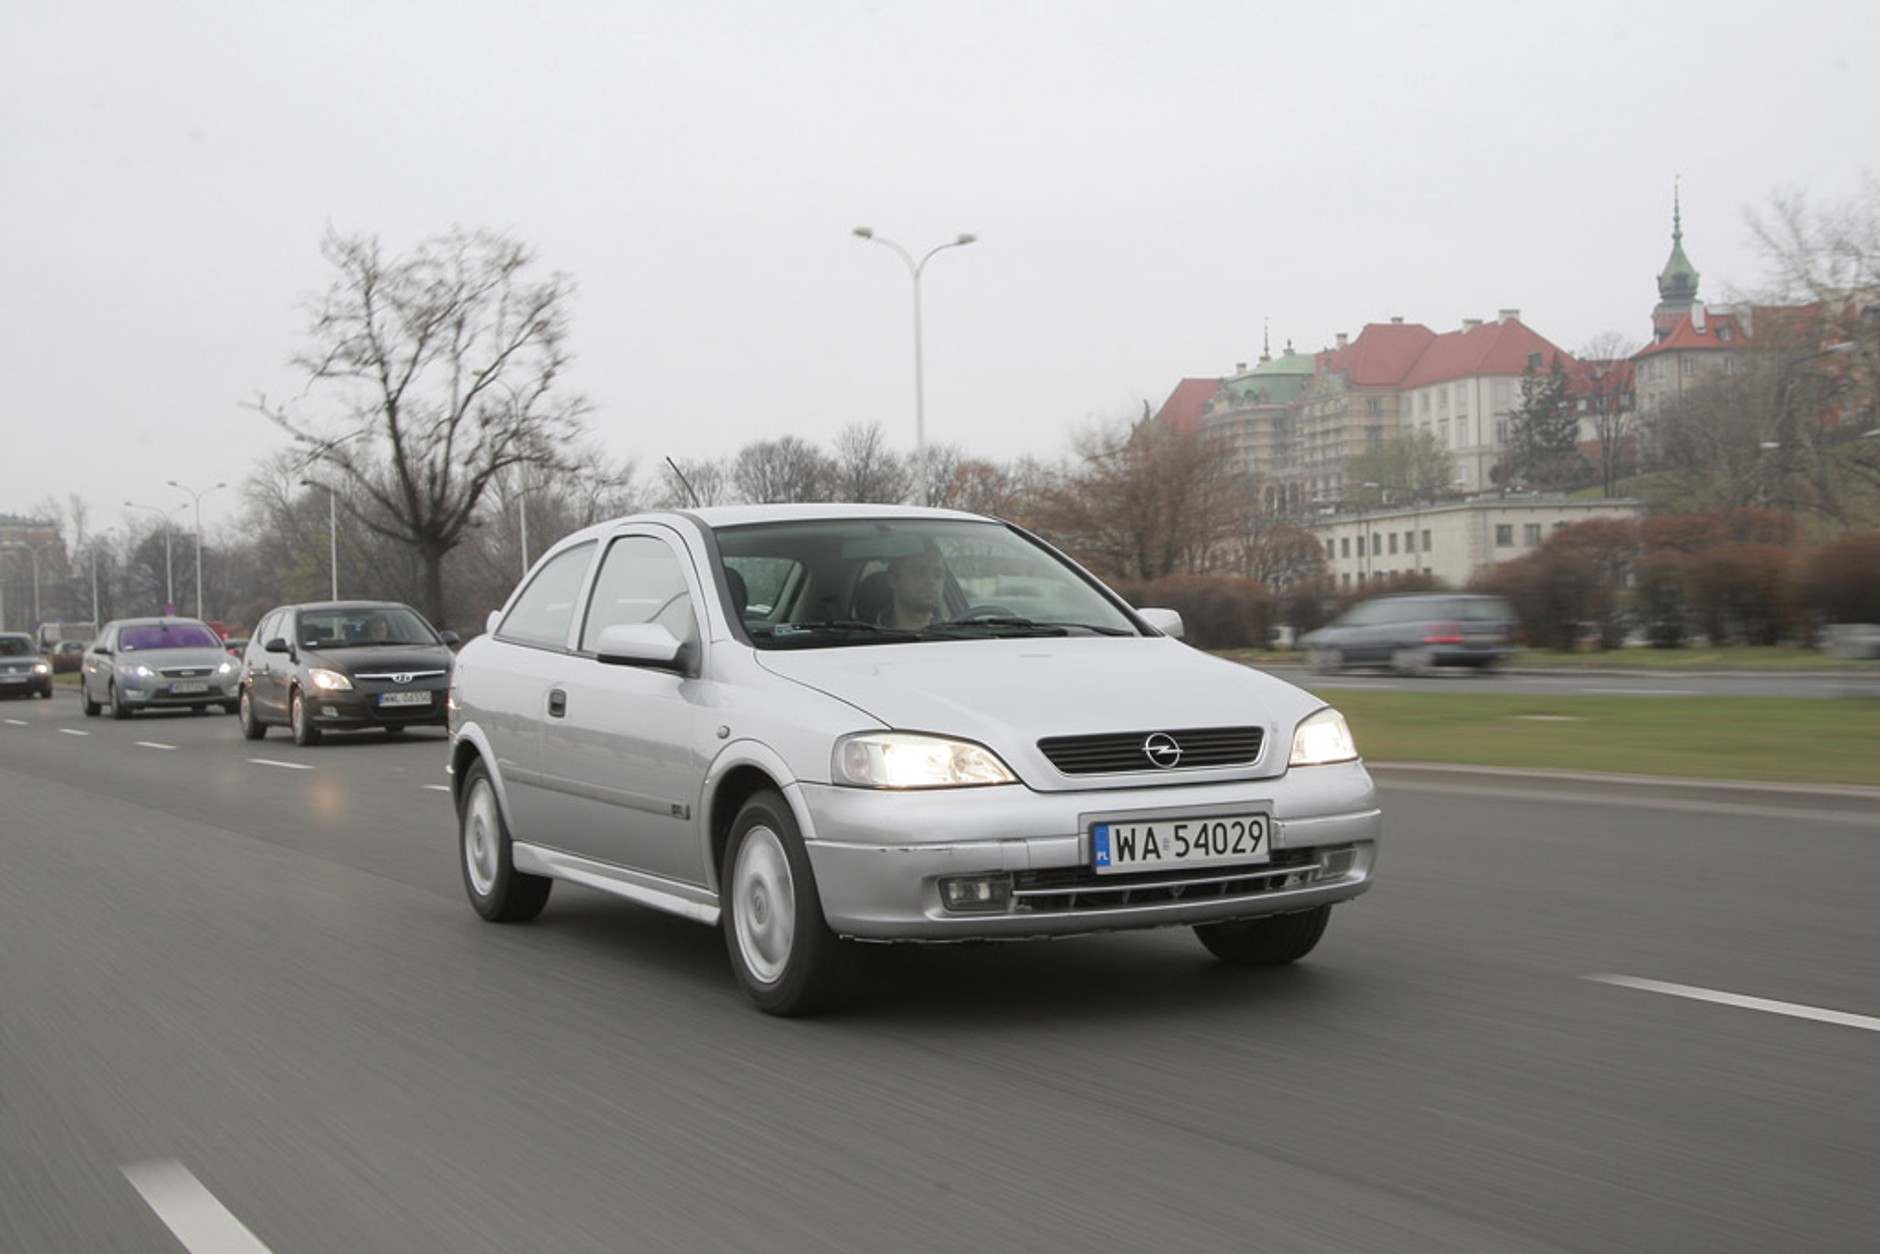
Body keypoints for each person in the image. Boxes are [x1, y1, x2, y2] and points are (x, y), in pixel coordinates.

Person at [881, 539, 946, 628]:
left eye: (937, 575)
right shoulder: (866, 637)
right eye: (918, 572)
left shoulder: (958, 633)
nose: (931, 581)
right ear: (893, 579)